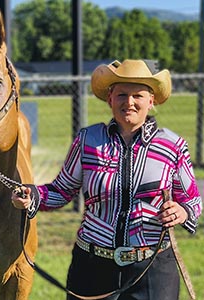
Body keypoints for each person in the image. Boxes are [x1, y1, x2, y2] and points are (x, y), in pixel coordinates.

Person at [11, 59, 202, 300]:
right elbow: (61, 190)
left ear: (151, 101)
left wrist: (182, 211)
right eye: (122, 94)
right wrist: (32, 196)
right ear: (110, 98)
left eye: (138, 96)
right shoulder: (88, 141)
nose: (129, 102)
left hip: (152, 269)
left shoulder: (173, 146)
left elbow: (193, 201)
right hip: (92, 268)